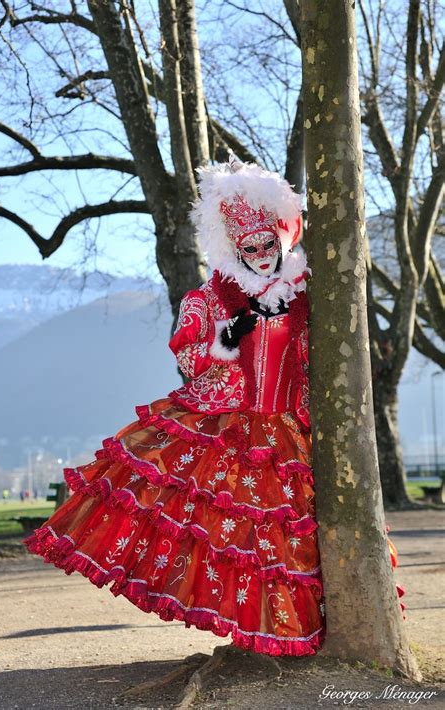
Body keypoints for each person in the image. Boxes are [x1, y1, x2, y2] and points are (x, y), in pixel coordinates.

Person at [25, 156, 404, 656]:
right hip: (226, 425)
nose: (262, 254)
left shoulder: (309, 295)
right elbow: (188, 356)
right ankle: (254, 634)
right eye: (251, 247)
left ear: (281, 238)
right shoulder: (209, 298)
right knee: (221, 530)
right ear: (235, 247)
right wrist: (227, 338)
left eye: (269, 244)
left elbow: (319, 362)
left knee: (281, 537)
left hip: (285, 432)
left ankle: (287, 632)